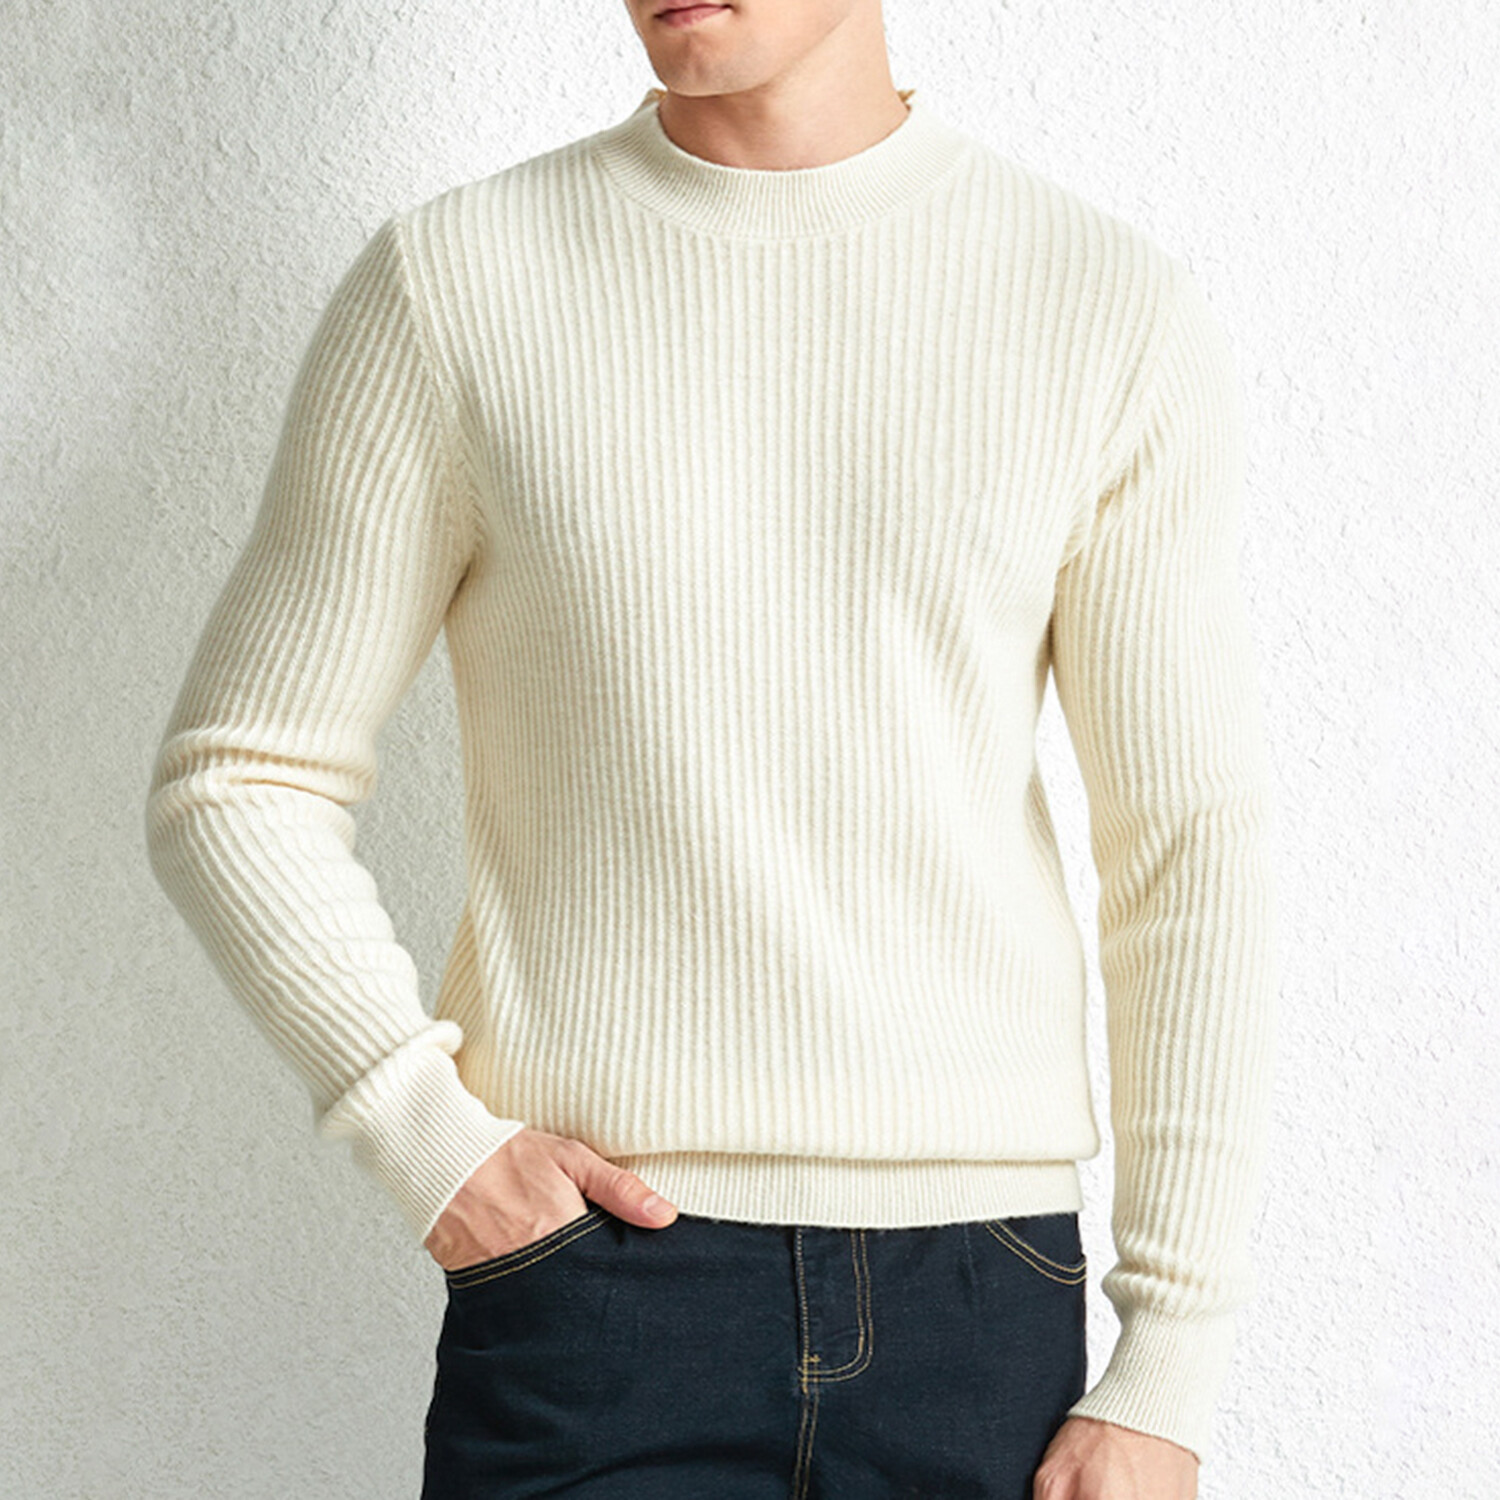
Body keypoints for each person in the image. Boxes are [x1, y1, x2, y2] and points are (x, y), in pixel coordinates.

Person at [144, 1, 1279, 1496]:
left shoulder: (1098, 305)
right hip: (595, 1292)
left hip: (980, 1301)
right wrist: (429, 1140)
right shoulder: (458, 284)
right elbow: (240, 778)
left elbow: (1185, 849)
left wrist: (1169, 1362)